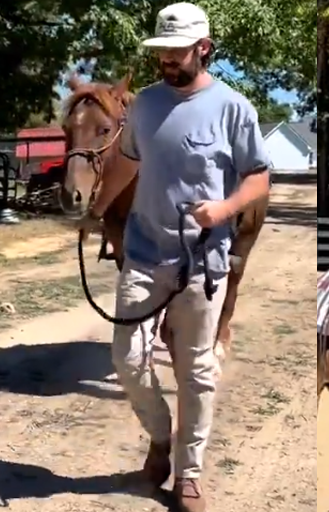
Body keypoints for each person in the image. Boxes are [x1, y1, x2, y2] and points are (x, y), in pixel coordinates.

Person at [77, 3, 271, 511]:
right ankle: (161, 437)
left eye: (175, 51)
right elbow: (130, 165)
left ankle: (189, 475)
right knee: (127, 357)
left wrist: (225, 209)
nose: (166, 59)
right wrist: (96, 211)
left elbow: (258, 177)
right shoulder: (144, 106)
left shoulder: (234, 108)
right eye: (161, 51)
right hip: (144, 251)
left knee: (196, 372)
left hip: (203, 261)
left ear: (203, 49)